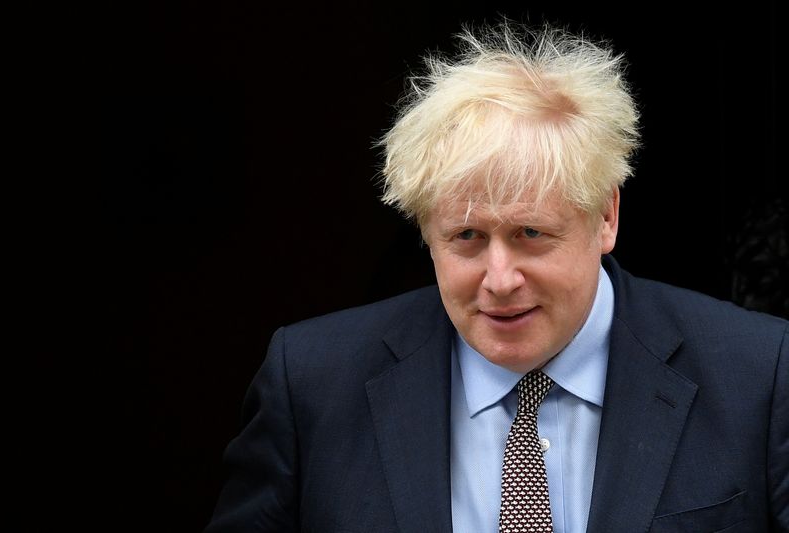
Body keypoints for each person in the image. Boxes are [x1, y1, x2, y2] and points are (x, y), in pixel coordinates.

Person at [204, 21, 788, 532]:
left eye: (531, 234)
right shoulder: (312, 383)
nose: (500, 278)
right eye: (467, 238)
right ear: (428, 235)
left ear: (606, 216)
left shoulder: (758, 375)